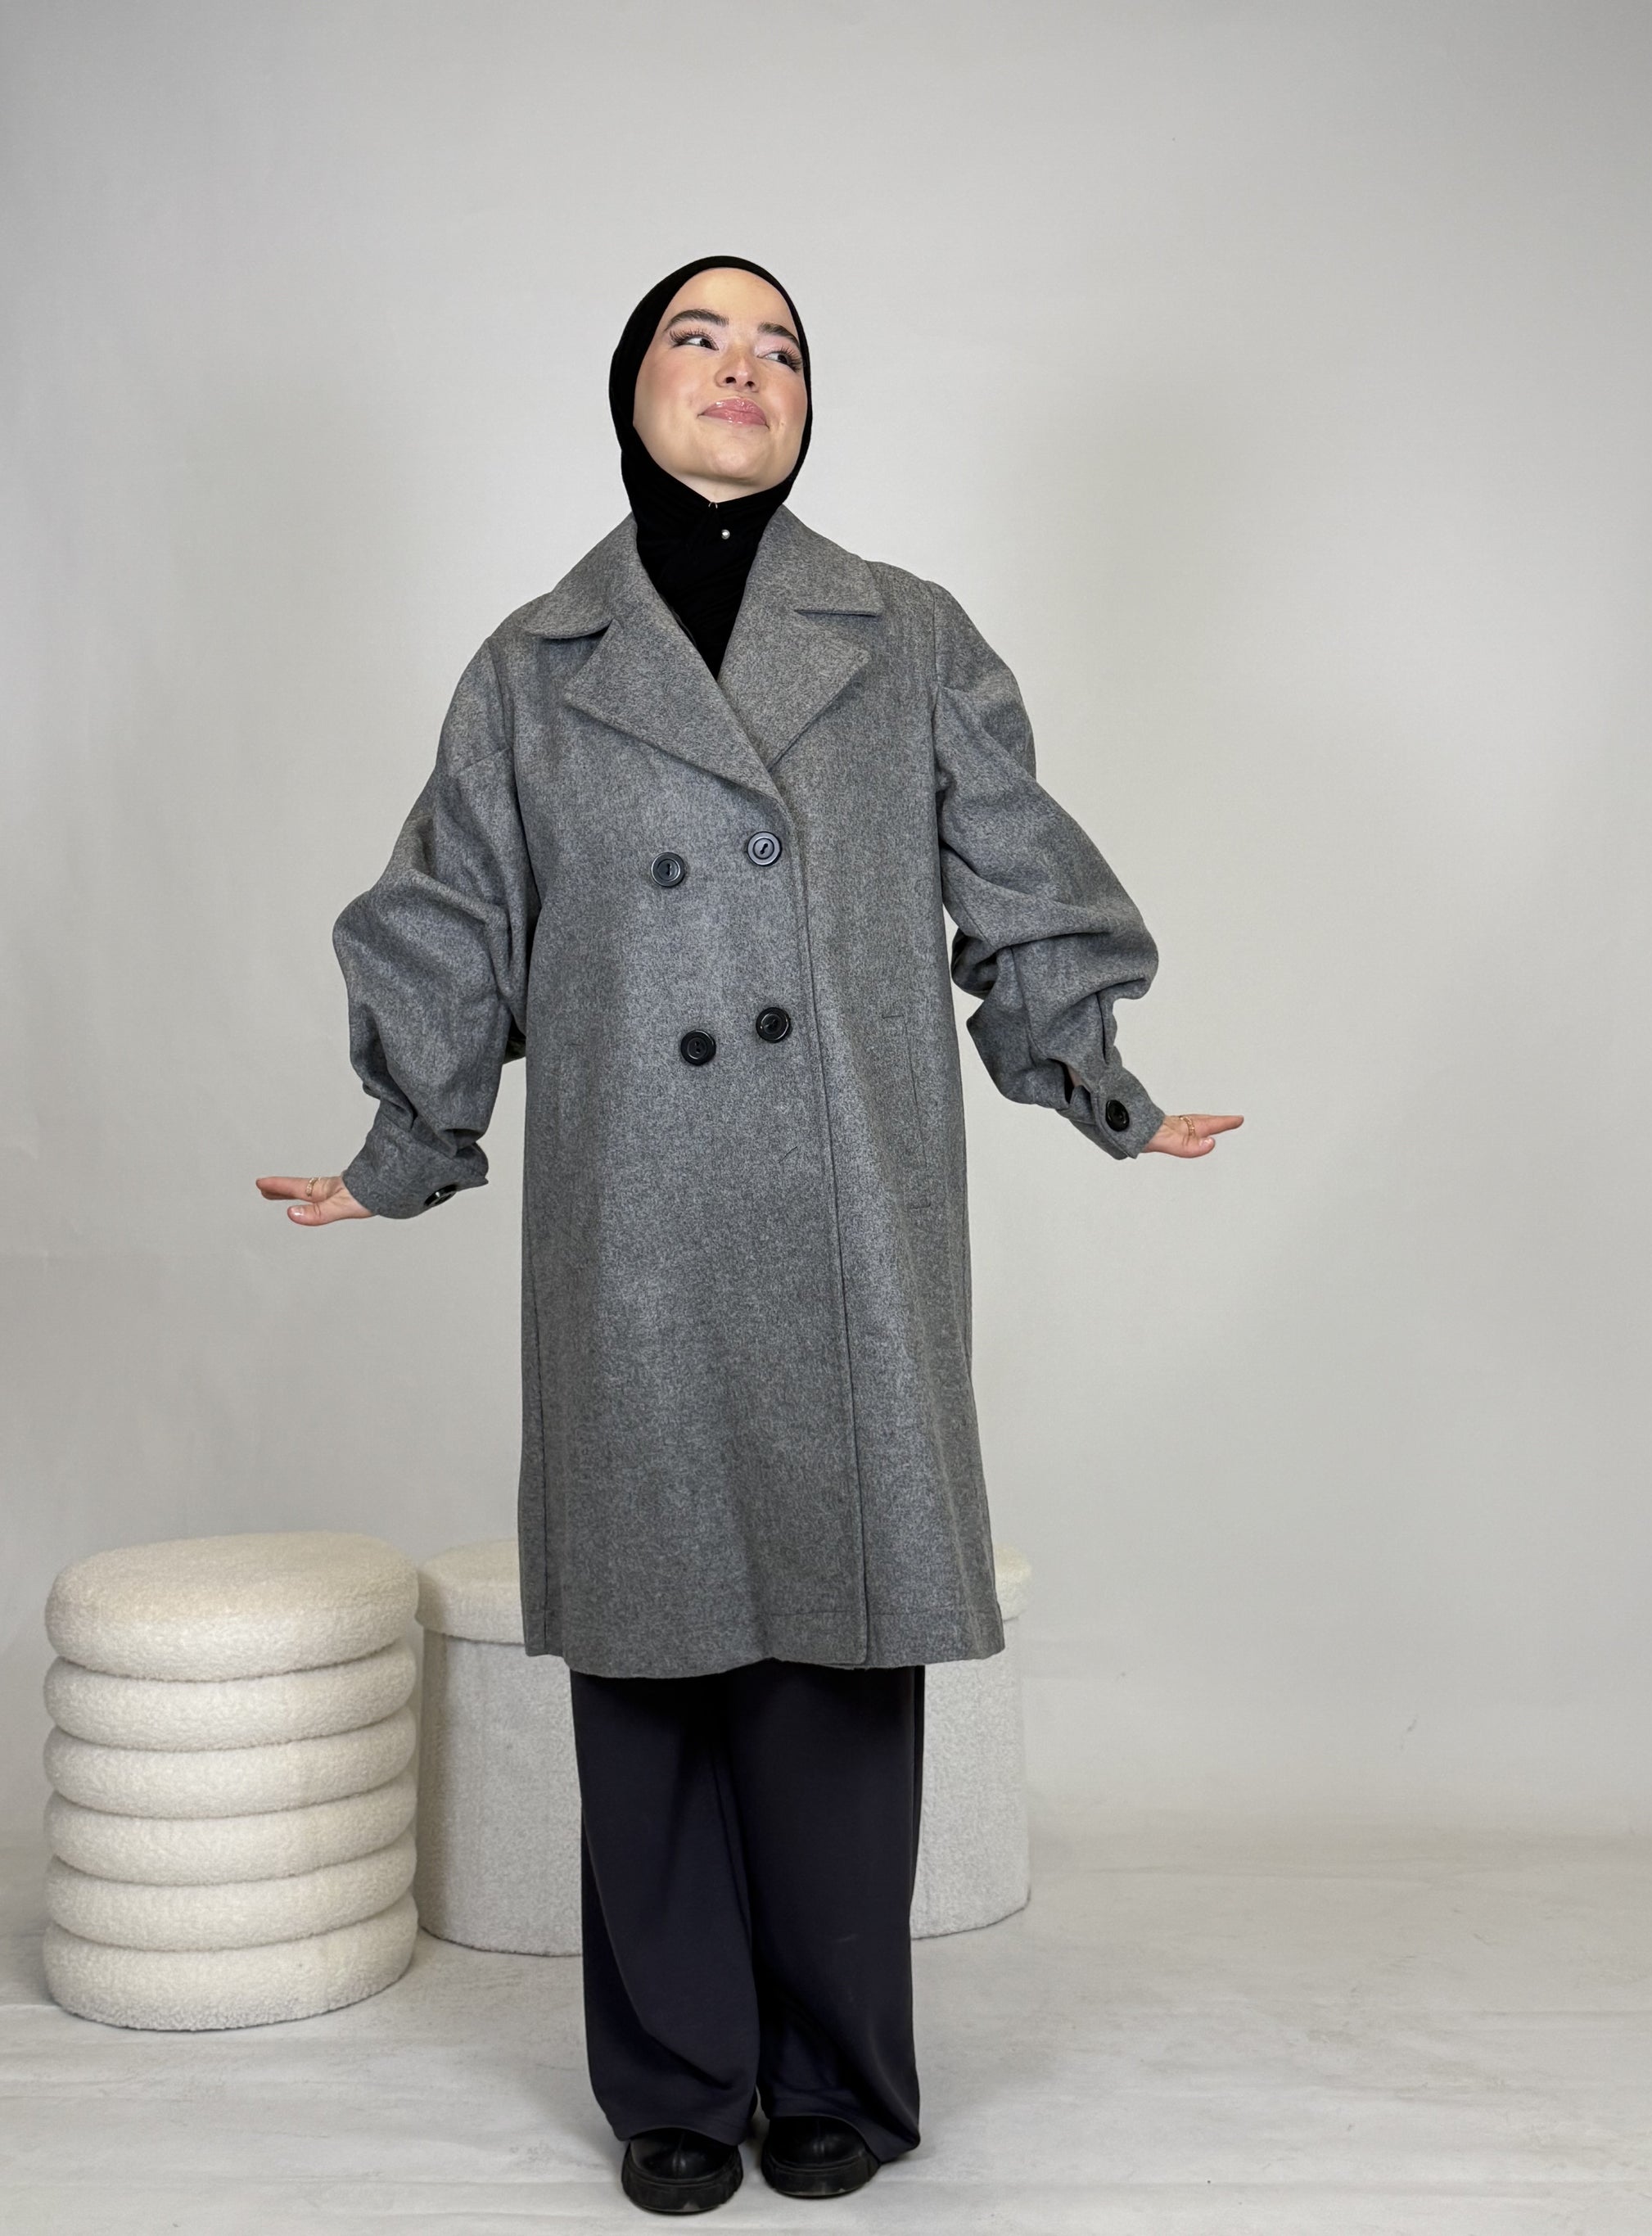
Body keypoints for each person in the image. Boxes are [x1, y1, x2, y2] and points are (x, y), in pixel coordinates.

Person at [259, 255, 1242, 2216]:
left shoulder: (907, 634)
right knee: (650, 1671)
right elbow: (452, 913)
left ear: (807, 407)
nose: (743, 368)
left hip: (848, 1216)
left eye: (779, 347)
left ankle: (838, 2078)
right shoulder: (532, 666)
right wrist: (405, 1140)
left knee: (834, 1668)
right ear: (630, 389)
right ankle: (677, 2085)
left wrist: (1097, 1077)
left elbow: (1020, 876)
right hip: (629, 1223)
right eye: (698, 338)